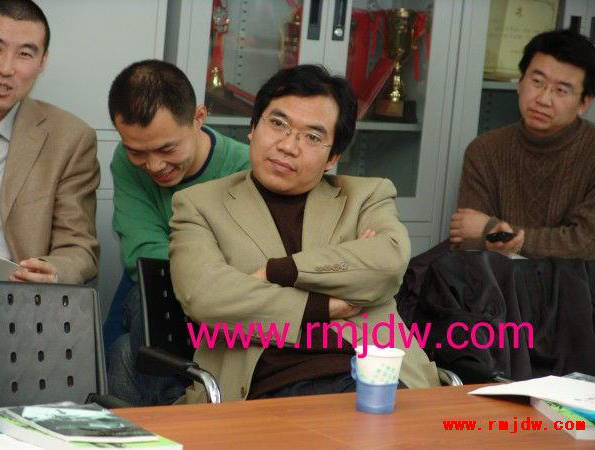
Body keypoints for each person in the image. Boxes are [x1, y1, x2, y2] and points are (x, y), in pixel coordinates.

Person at [170, 64, 439, 403]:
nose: (288, 146)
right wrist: (324, 305)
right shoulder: (199, 205)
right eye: (277, 124)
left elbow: (387, 264)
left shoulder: (366, 197)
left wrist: (277, 272)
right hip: (265, 390)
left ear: (333, 157)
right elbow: (205, 296)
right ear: (252, 128)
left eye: (312, 137)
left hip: (376, 382)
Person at [105, 59, 249, 404]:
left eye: (167, 149)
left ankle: (170, 413)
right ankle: (175, 410)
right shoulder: (125, 162)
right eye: (137, 151)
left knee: (125, 351)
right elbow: (143, 251)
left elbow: (246, 263)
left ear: (199, 118)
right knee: (118, 340)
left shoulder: (245, 168)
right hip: (150, 281)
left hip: (221, 296)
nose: (154, 165)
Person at [450, 29, 595, 259]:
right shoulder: (484, 150)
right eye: (537, 82)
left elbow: (587, 243)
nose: (543, 99)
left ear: (584, 103)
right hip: (498, 280)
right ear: (520, 82)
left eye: (561, 90)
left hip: (577, 282)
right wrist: (488, 234)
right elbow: (466, 236)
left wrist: (501, 234)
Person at [0, 0, 99, 284]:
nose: (5, 68)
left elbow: (78, 249)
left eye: (24, 54)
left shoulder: (70, 139)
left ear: (42, 62)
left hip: (12, 297)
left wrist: (52, 271)